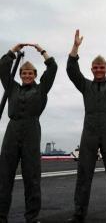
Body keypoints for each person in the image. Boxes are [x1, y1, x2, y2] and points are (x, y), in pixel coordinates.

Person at [66, 28, 106, 223]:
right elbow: (71, 70)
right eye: (95, 67)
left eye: (101, 67)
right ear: (91, 69)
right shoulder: (85, 85)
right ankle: (79, 215)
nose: (98, 70)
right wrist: (75, 48)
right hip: (89, 132)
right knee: (84, 173)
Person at [0, 43, 58, 223]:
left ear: (35, 76)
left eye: (30, 73)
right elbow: (2, 66)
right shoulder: (12, 88)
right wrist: (13, 50)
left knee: (32, 178)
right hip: (12, 130)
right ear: (20, 75)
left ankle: (31, 218)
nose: (27, 76)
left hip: (32, 131)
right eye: (24, 73)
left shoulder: (42, 89)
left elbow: (53, 67)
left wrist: (41, 50)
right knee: (4, 177)